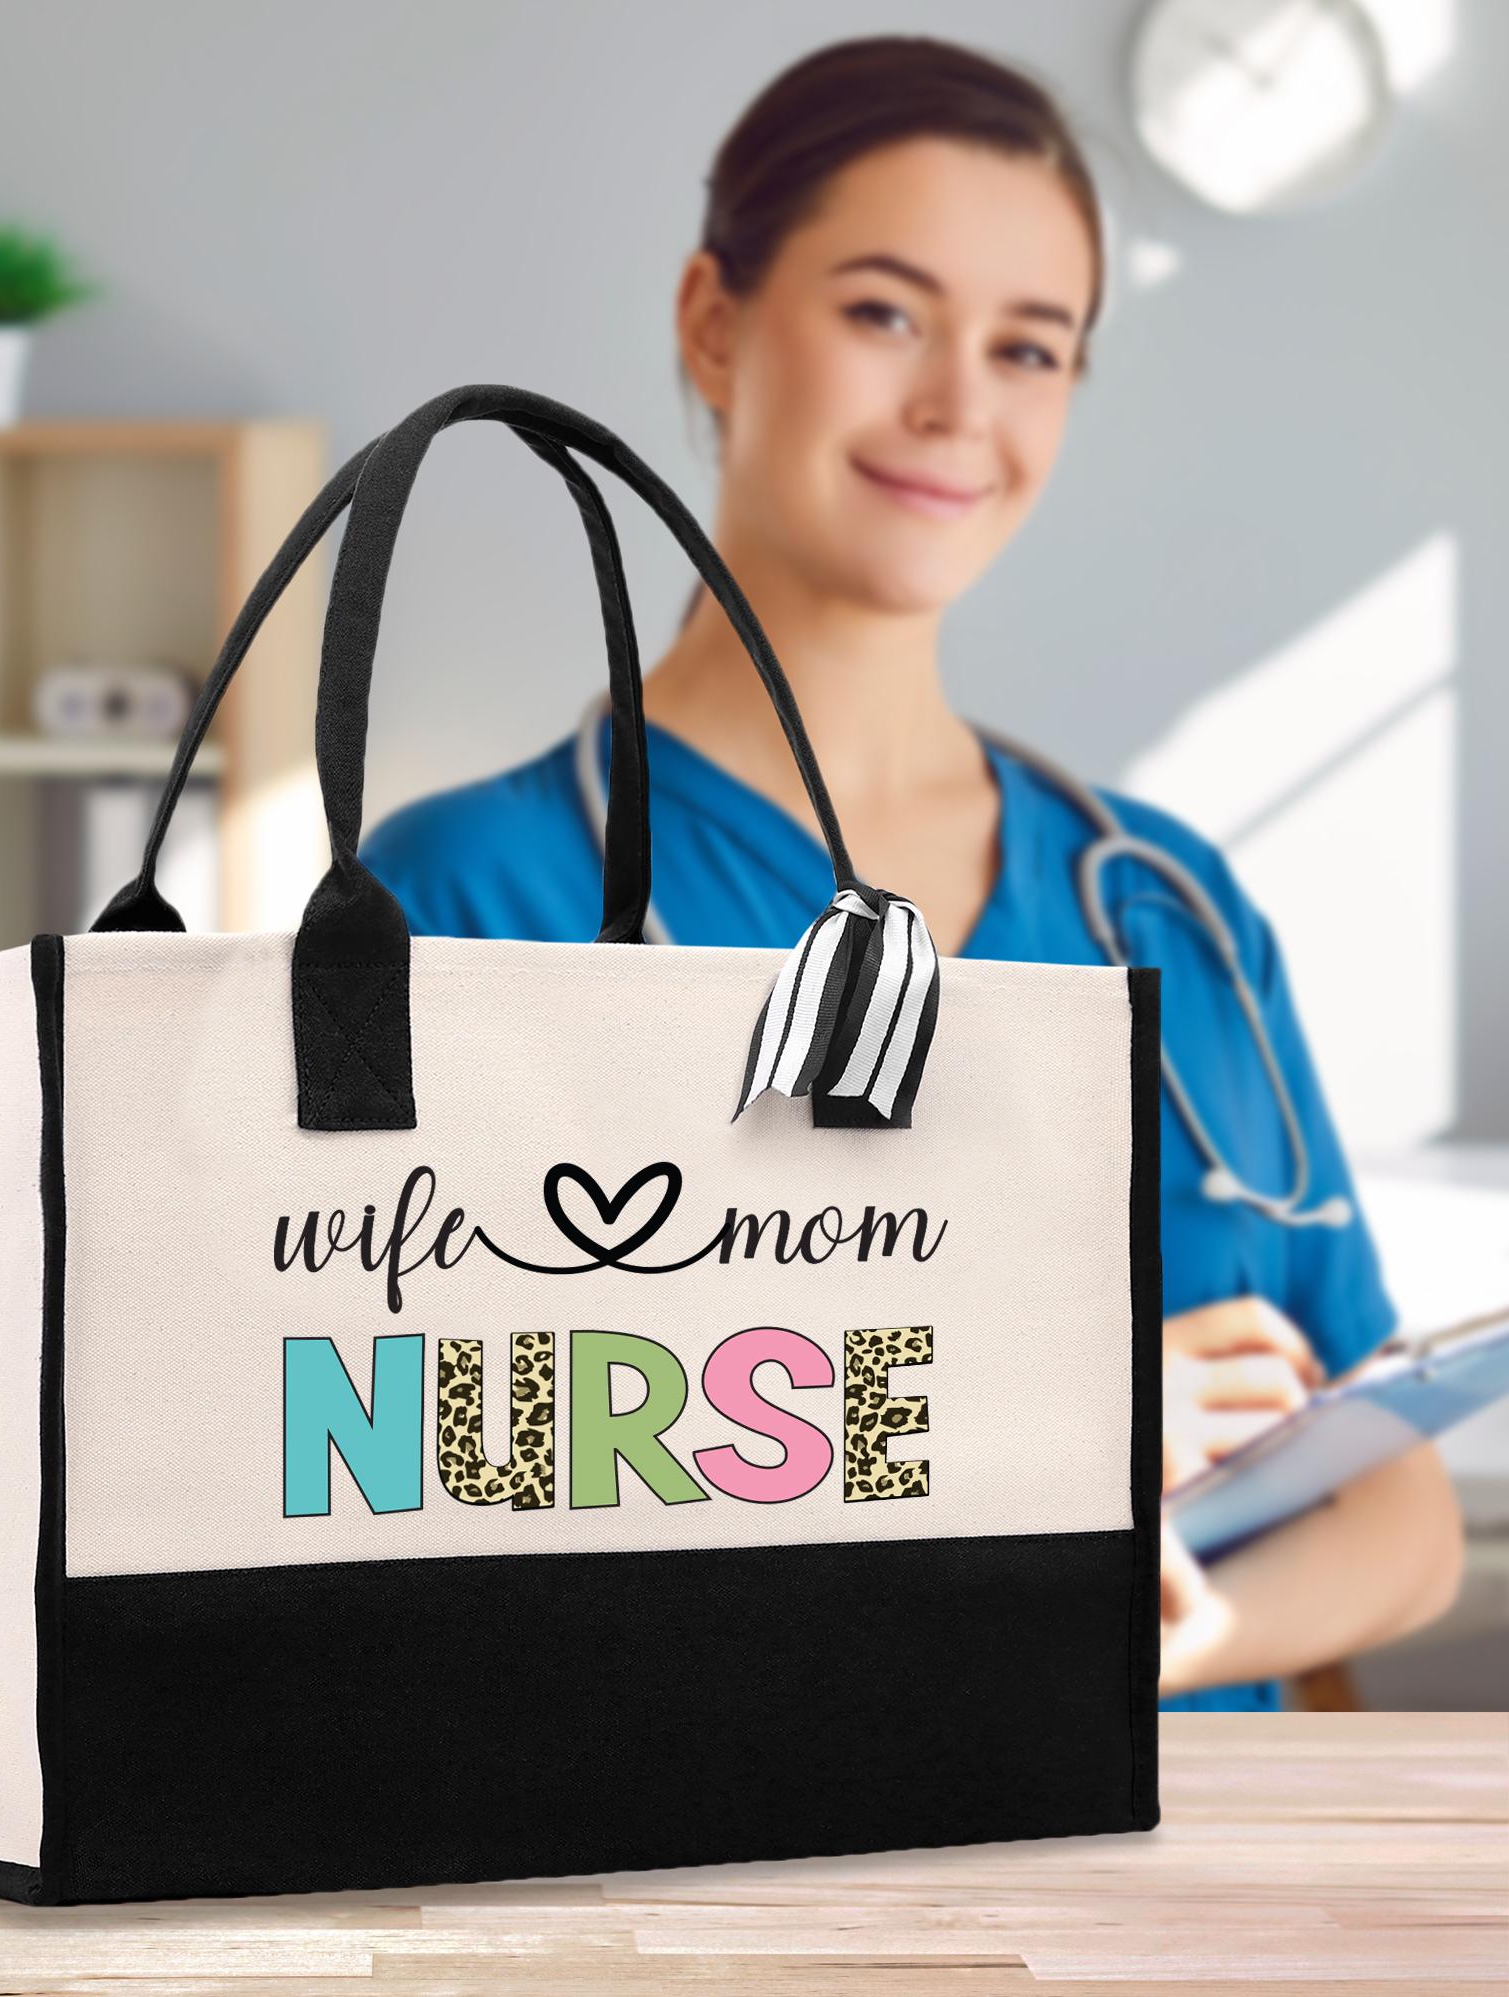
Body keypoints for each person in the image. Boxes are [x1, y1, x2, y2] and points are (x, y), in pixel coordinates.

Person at [358, 35, 1466, 1708]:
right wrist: (1040, 1410)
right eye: (887, 313)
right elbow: (418, 1462)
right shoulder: (473, 894)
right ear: (714, 325)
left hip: (1183, 1905)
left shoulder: (1164, 904)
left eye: (1033, 349)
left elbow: (1396, 1501)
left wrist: (1142, 1645)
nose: (961, 406)